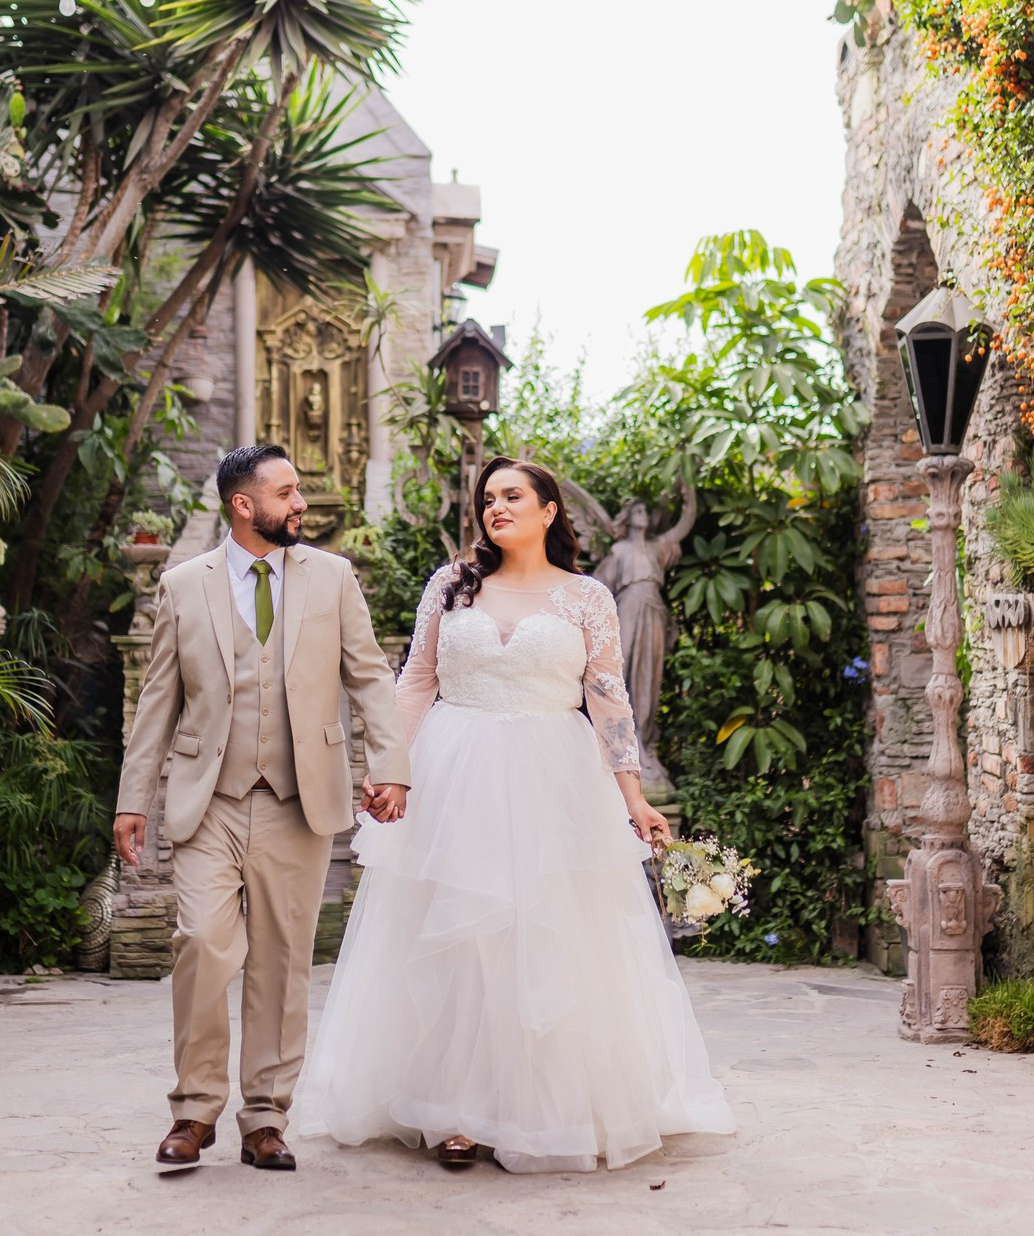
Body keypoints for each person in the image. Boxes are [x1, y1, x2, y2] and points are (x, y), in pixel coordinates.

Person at [295, 457, 735, 1172]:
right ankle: (457, 1110)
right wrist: (388, 772)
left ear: (549, 510)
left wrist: (633, 798)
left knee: (545, 941)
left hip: (554, 780)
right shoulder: (452, 584)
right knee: (459, 941)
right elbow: (415, 684)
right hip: (453, 772)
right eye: (488, 498)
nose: (495, 507)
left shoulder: (587, 598)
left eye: (512, 496)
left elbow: (609, 702)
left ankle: (543, 1105)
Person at [114, 443, 410, 1172]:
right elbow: (158, 700)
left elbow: (371, 677)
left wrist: (391, 768)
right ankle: (193, 1112)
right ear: (244, 506)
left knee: (283, 964)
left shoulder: (334, 578)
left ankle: (265, 1118)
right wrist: (133, 800)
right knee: (203, 946)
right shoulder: (185, 586)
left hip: (298, 800)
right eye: (286, 492)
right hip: (207, 799)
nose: (300, 502)